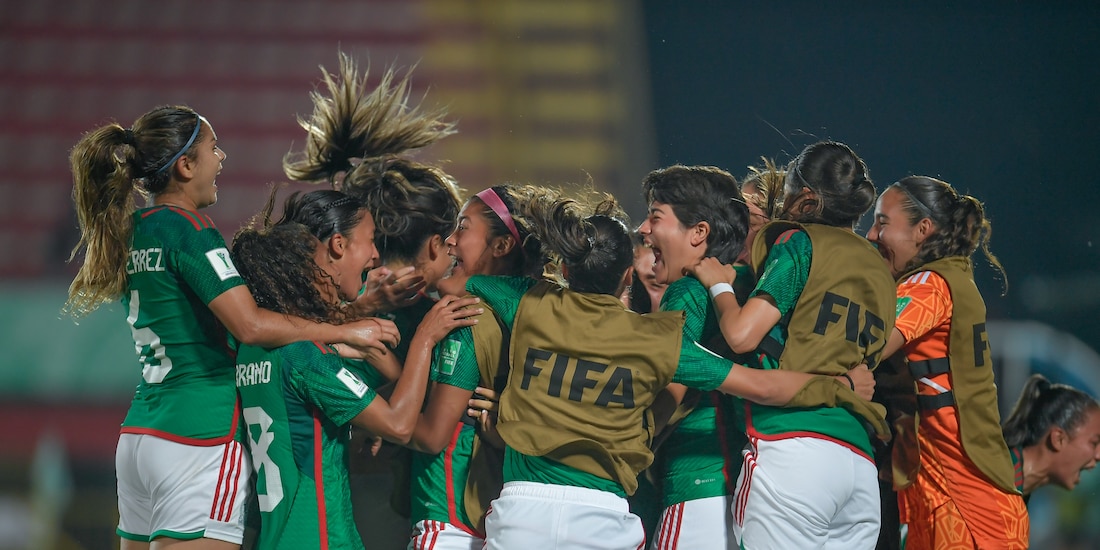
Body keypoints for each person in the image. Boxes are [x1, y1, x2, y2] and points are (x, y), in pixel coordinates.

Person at [64, 106, 399, 550]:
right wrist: (344, 332)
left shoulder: (133, 231)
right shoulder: (189, 229)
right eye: (212, 149)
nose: (221, 158)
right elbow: (251, 325)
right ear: (185, 166)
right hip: (199, 433)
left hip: (141, 434)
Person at [466, 193, 875, 550]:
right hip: (605, 518)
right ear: (628, 275)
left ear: (568, 269)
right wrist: (840, 384)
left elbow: (466, 285)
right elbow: (761, 385)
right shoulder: (656, 339)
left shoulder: (526, 301)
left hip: (522, 509)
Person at [230, 188, 480, 550]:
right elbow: (398, 423)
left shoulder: (254, 350)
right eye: (370, 240)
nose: (376, 254)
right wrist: (425, 337)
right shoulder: (309, 357)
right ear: (337, 245)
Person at [691, 141, 896, 549]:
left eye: (786, 190)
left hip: (794, 446)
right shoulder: (881, 267)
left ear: (805, 197)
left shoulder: (802, 243)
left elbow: (742, 334)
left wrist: (717, 284)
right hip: (858, 461)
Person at [866, 175, 1028, 548]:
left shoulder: (927, 285)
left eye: (883, 222)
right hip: (956, 498)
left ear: (923, 229)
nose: (872, 235)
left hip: (965, 506)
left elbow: (867, 346)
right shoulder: (952, 277)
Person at [636, 164, 753, 550]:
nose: (644, 230)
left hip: (697, 486)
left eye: (656, 217)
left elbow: (666, 396)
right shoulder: (751, 285)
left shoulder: (687, 289)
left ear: (699, 232)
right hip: (746, 492)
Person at [1002, 373, 1100, 497]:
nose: (1098, 455)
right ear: (1058, 439)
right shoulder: (994, 474)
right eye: (1094, 443)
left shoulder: (1017, 491)